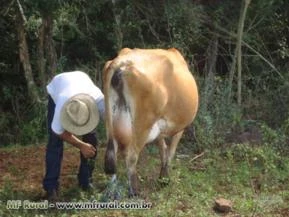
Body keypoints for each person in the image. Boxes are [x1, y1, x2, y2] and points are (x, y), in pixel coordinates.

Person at [43, 71, 105, 200]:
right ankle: (51, 187)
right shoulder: (61, 101)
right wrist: (81, 145)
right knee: (55, 143)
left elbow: (111, 119)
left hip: (81, 80)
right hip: (58, 86)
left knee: (92, 139)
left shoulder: (98, 99)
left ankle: (86, 181)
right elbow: (58, 131)